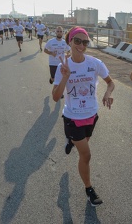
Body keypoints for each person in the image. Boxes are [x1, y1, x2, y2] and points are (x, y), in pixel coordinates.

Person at [52, 26, 114, 207]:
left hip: (92, 115)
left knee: (83, 147)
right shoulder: (62, 66)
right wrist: (65, 77)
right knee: (86, 155)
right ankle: (89, 189)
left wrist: (108, 93)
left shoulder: (95, 63)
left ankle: (70, 141)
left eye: (85, 42)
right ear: (69, 42)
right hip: (72, 118)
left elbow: (110, 83)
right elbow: (56, 97)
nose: (81, 45)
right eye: (77, 41)